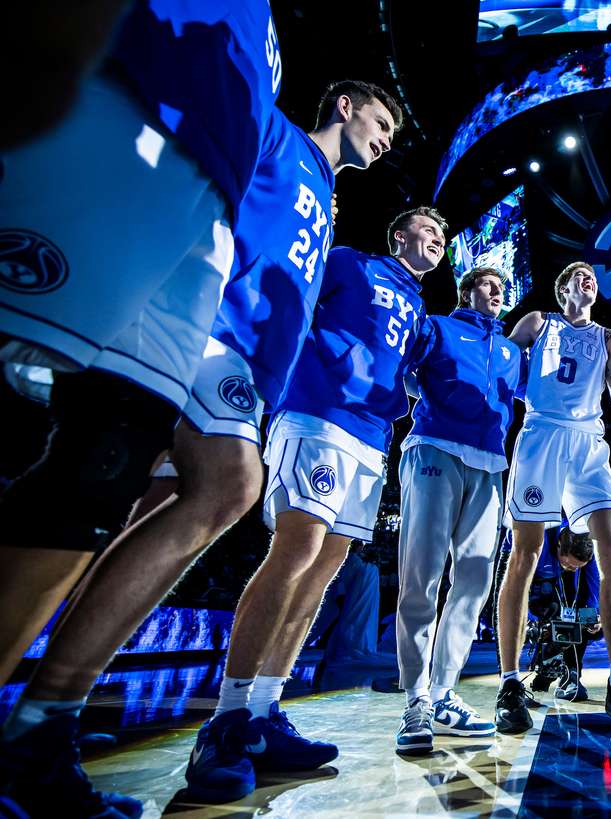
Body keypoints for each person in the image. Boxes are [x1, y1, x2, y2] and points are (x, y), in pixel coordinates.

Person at [0, 3, 282, 815]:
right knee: (21, 427)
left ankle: (35, 733)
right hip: (119, 117)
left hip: (204, 202)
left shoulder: (261, 39)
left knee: (107, 462)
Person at [184, 206, 447, 802]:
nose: (439, 241)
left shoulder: (421, 312)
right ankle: (225, 721)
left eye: (443, 238)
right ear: (398, 234)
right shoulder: (352, 264)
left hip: (372, 435)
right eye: (429, 231)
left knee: (325, 571)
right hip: (317, 413)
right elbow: (290, 303)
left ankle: (265, 711)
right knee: (297, 549)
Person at [494, 262, 611, 735]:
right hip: (541, 432)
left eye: (592, 279)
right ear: (563, 285)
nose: (588, 281)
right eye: (579, 276)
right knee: (523, 553)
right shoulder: (537, 322)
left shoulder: (608, 335)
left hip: (587, 438)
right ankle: (509, 682)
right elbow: (501, 366)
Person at [393, 267, 521, 755]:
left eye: (502, 287)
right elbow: (401, 369)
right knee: (421, 574)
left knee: (473, 578)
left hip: (490, 464)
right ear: (467, 290)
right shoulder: (438, 326)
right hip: (434, 448)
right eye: (489, 284)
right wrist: (434, 397)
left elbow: (544, 395)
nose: (498, 292)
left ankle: (445, 692)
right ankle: (415, 699)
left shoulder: (511, 352)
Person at [525, 527, 603, 703]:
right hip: (545, 584)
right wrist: (531, 619)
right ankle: (546, 662)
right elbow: (525, 585)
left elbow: (593, 583)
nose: (573, 569)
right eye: (569, 564)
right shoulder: (542, 541)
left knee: (589, 622)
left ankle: (571, 674)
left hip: (572, 593)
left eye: (578, 567)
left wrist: (594, 615)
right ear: (559, 546)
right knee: (549, 609)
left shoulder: (587, 546)